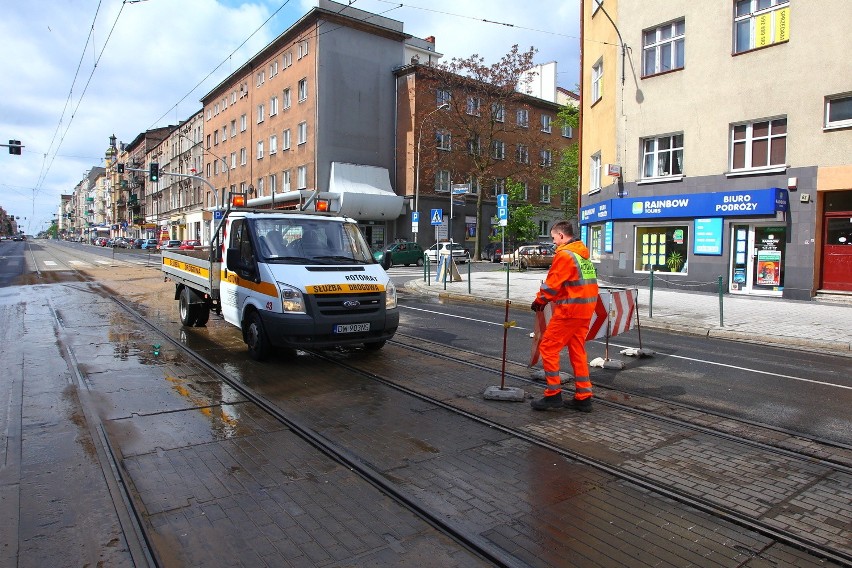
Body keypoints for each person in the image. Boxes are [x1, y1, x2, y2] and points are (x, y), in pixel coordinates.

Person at [530, 221, 599, 411]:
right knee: (577, 350)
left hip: (570, 310)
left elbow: (552, 285)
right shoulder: (582, 255)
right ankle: (584, 396)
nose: (553, 243)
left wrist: (539, 301)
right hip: (585, 311)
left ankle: (553, 394)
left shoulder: (565, 255)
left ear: (561, 236)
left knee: (548, 347)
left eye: (553, 238)